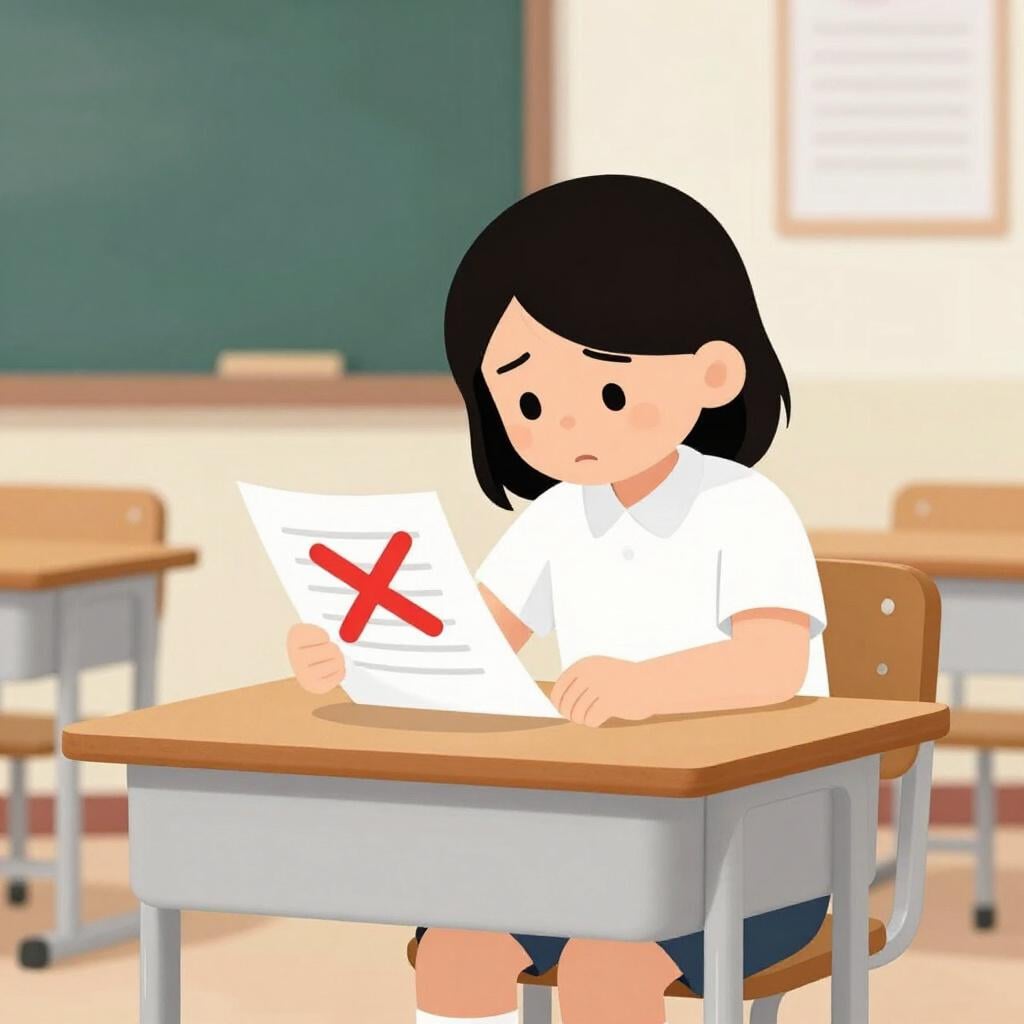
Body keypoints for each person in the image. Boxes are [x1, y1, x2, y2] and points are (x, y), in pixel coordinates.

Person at [287, 175, 830, 1024]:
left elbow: (773, 662)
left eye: (608, 389)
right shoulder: (556, 517)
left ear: (715, 372)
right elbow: (465, 645)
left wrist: (646, 686)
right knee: (456, 946)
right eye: (529, 400)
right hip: (594, 838)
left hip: (751, 853)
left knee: (607, 969)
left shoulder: (743, 507)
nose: (566, 426)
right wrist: (353, 657)